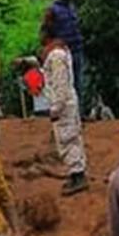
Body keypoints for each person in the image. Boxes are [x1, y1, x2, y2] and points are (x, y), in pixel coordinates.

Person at [41, 36, 88, 195]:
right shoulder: (61, 52)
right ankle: (76, 174)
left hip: (64, 105)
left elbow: (60, 85)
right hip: (67, 103)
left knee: (67, 138)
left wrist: (56, 109)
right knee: (71, 137)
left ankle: (78, 176)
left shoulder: (56, 56)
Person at [44, 0, 86, 101]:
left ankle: (79, 112)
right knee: (64, 82)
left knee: (78, 82)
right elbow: (46, 31)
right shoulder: (52, 10)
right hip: (62, 52)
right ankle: (65, 111)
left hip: (77, 49)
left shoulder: (72, 8)